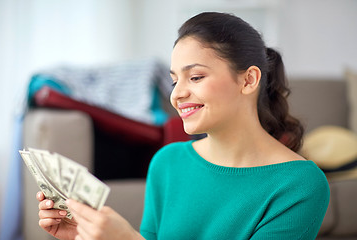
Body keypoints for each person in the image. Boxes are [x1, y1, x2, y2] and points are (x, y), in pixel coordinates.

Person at [37, 12, 330, 240]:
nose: (176, 94)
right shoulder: (167, 162)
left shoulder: (299, 185)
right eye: (175, 79)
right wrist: (86, 234)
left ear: (248, 80)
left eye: (196, 77)